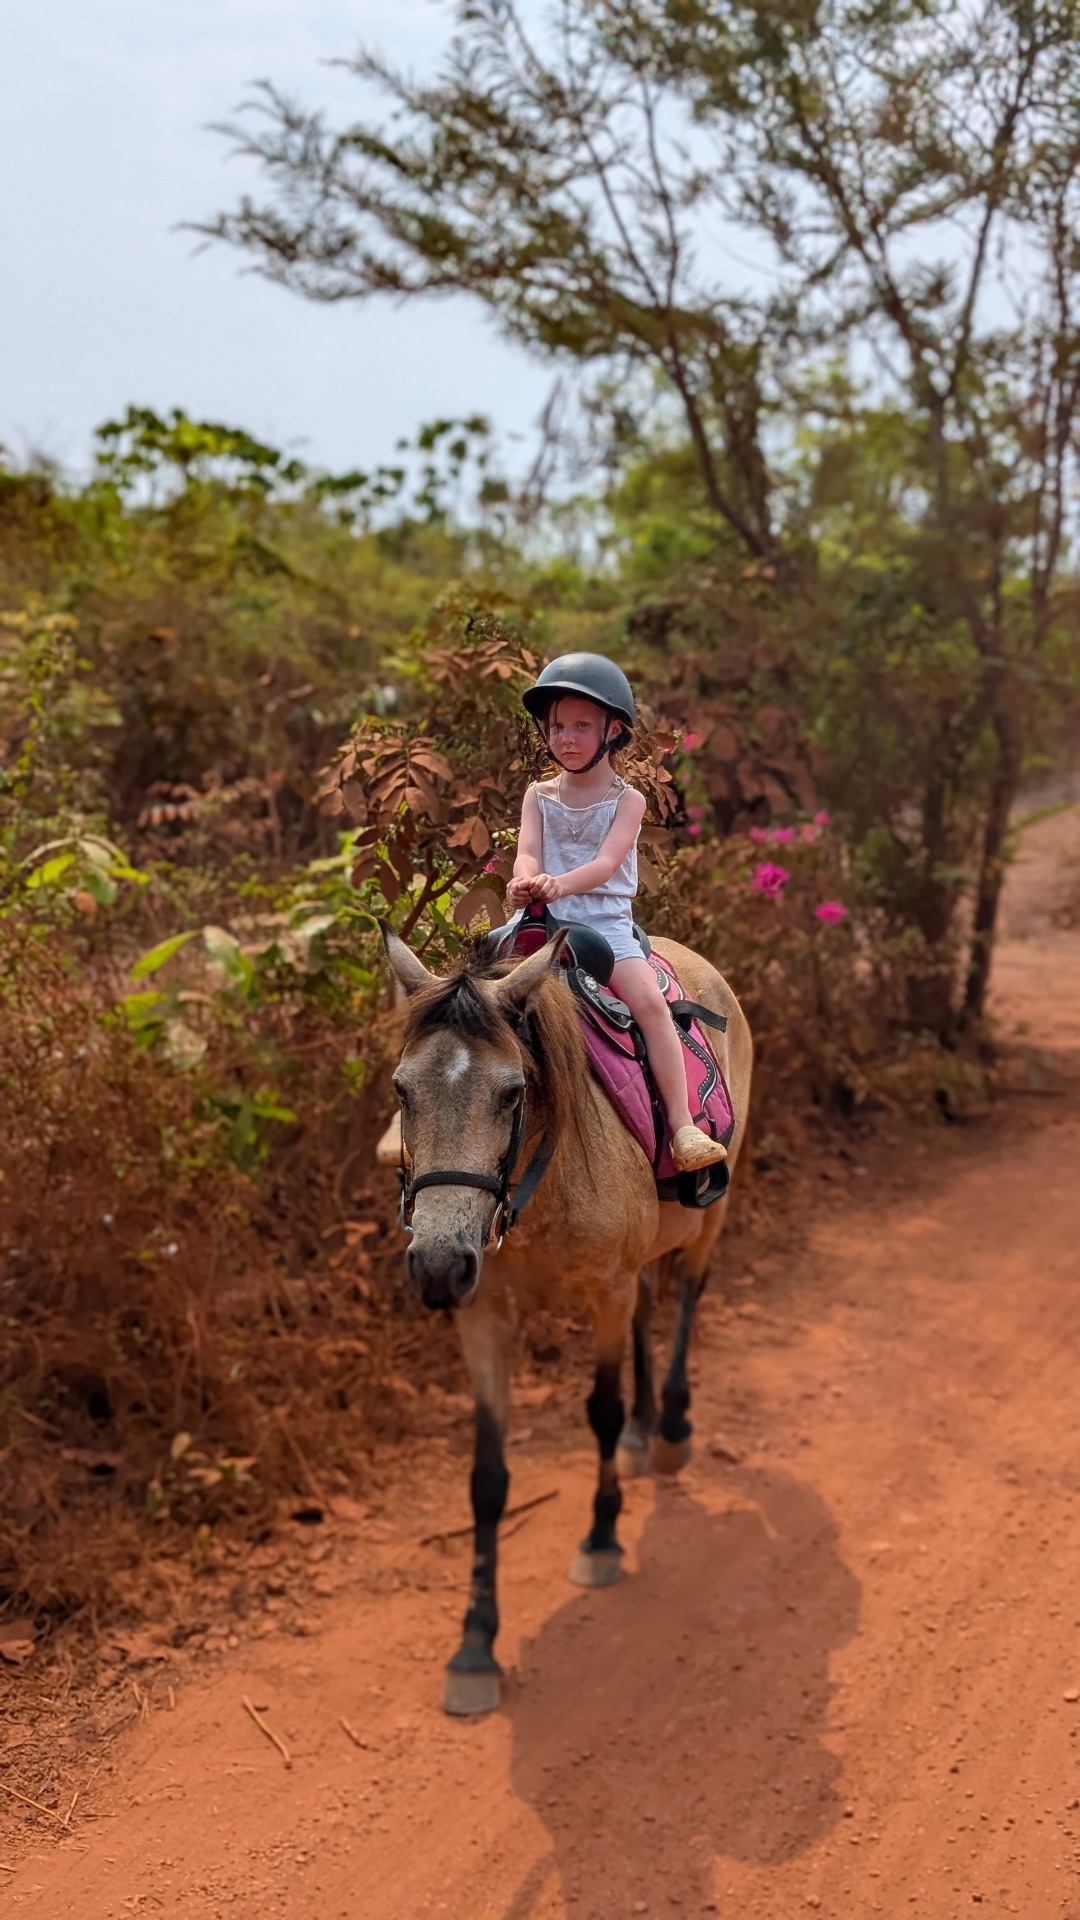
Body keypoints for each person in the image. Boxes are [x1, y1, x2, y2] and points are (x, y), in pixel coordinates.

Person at [508, 653, 726, 1174]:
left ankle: (682, 1125)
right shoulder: (537, 795)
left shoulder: (626, 801)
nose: (565, 736)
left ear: (614, 730)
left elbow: (606, 864)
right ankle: (416, 1118)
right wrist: (524, 879)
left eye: (581, 725)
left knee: (650, 1003)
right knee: (464, 992)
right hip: (541, 920)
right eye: (557, 725)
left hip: (603, 926)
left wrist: (560, 881)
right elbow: (528, 850)